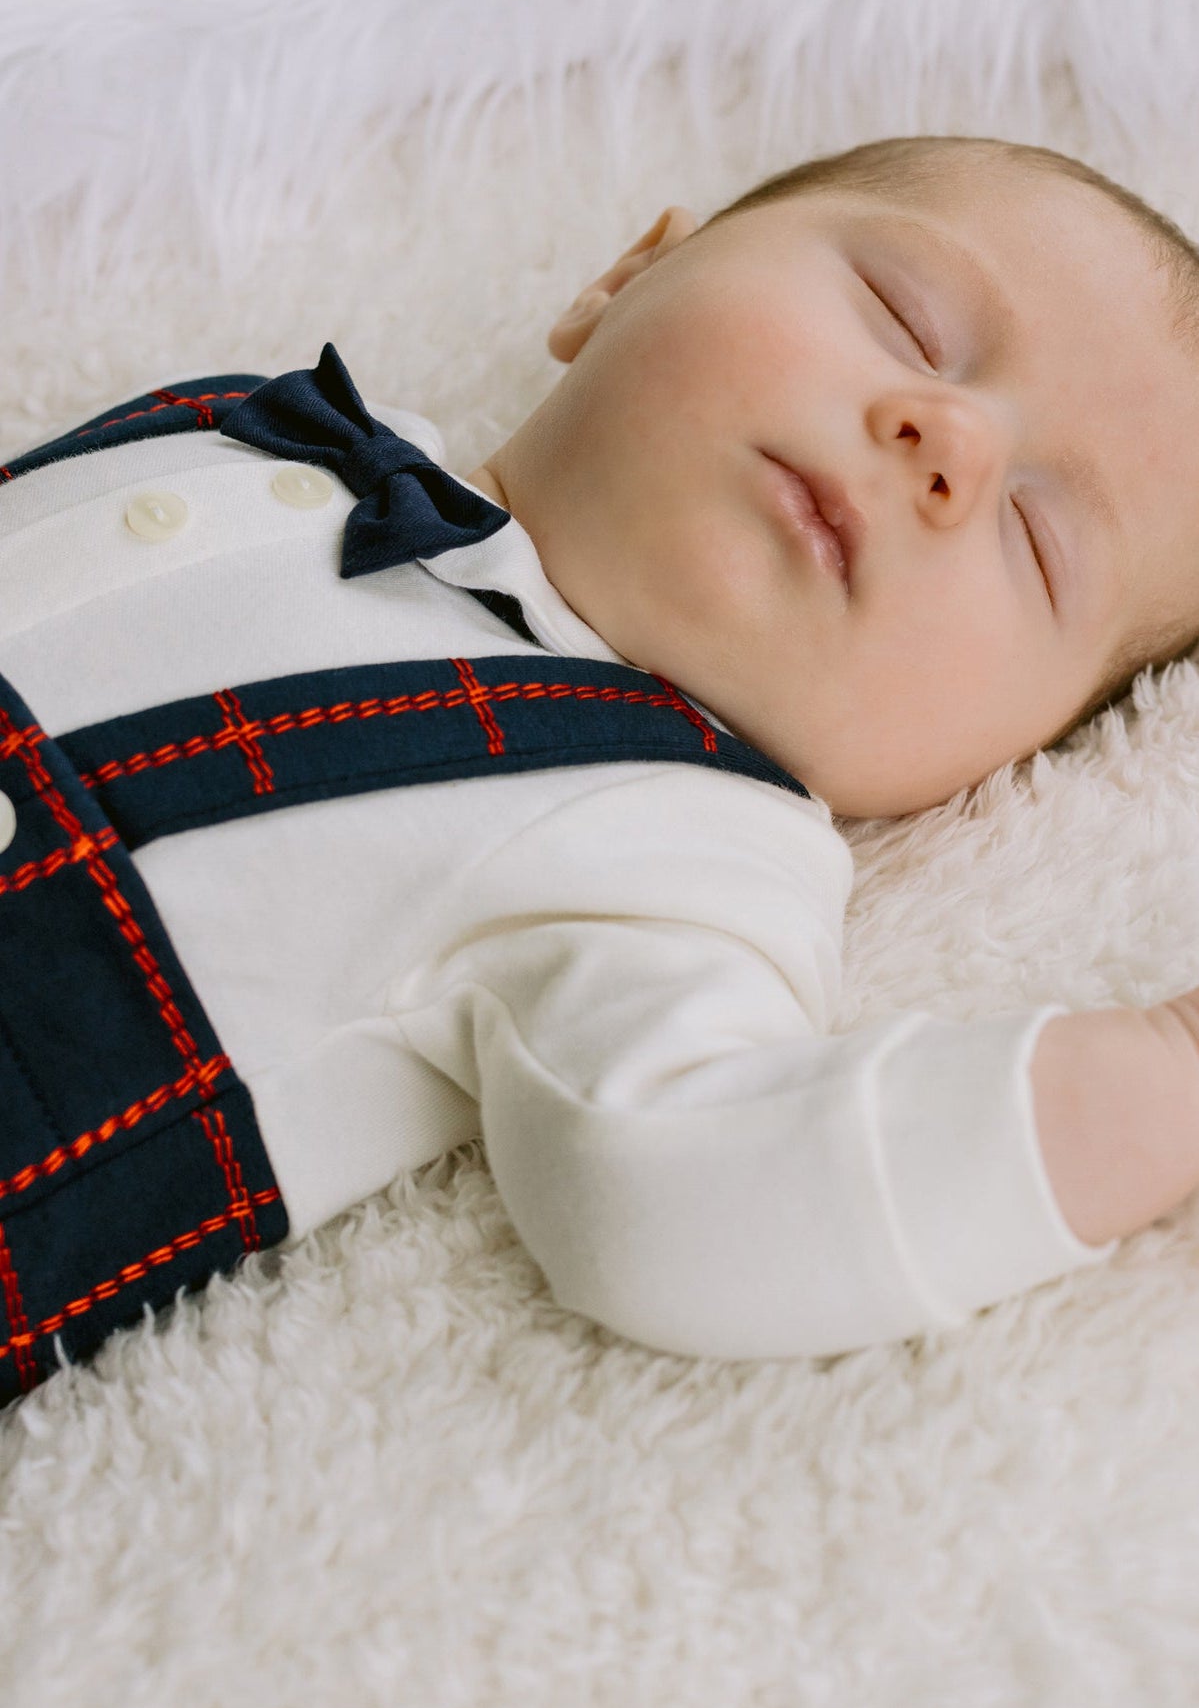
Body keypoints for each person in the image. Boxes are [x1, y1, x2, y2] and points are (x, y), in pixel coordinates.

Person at [3, 133, 1199, 1408]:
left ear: (996, 763)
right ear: (623, 278)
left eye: (1033, 539)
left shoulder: (667, 840)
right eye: (904, 319)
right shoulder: (258, 427)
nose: (944, 438)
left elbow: (700, 1187)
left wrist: (1168, 1068)